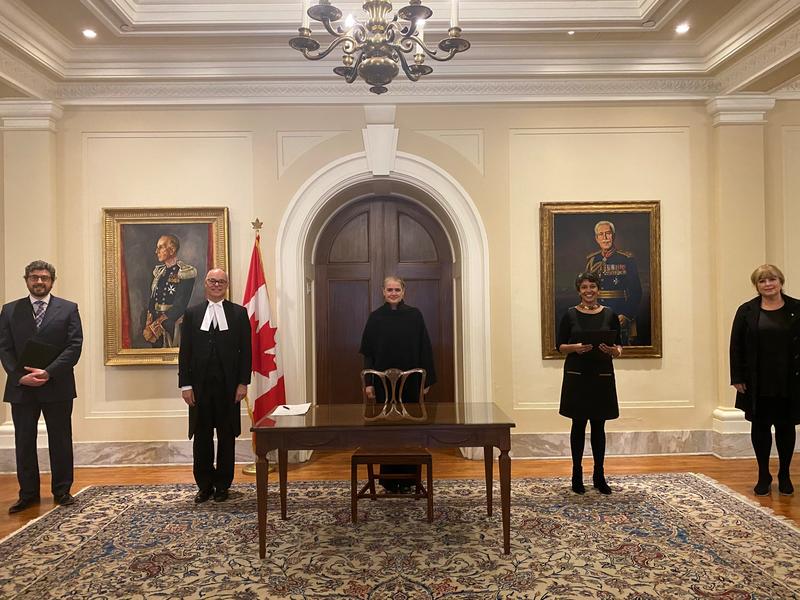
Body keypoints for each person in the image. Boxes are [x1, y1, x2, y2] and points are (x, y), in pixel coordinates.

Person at [0, 260, 83, 513]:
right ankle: (28, 495)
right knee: (24, 440)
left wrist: (48, 372)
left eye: (44, 278)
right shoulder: (10, 310)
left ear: (52, 281)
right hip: (22, 386)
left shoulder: (68, 309)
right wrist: (17, 377)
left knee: (61, 439)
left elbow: (74, 346)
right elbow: (4, 348)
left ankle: (62, 491)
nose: (39, 282)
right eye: (34, 277)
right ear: (26, 279)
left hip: (57, 384)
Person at [178, 269, 251, 503]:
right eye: (212, 281)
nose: (217, 284)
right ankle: (204, 485)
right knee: (202, 436)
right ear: (205, 284)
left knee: (227, 436)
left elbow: (246, 352)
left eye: (221, 281)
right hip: (199, 388)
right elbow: (185, 353)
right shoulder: (191, 314)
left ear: (227, 285)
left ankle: (222, 485)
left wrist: (243, 382)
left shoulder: (238, 314)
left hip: (229, 388)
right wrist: (185, 385)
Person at [359, 276, 436, 493]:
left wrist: (426, 381)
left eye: (397, 289)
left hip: (411, 384)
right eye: (389, 289)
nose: (393, 293)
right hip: (383, 385)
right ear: (383, 292)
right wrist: (369, 383)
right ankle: (389, 480)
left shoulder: (415, 315)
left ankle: (411, 478)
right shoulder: (375, 318)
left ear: (404, 291)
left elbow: (425, 349)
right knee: (389, 432)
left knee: (410, 432)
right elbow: (368, 354)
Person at [730, 264, 799, 497]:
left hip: (789, 379)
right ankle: (763, 474)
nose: (768, 284)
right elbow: (736, 346)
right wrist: (737, 377)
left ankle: (785, 474)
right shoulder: (746, 310)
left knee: (786, 428)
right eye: (762, 281)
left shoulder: (796, 308)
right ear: (756, 285)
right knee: (759, 427)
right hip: (756, 380)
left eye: (772, 280)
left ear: (781, 281)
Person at [557, 271, 622, 495]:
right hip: (577, 376)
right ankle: (576, 475)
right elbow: (560, 346)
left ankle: (599, 475)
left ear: (598, 289)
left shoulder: (610, 314)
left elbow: (620, 346)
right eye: (584, 287)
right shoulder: (569, 315)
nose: (588, 291)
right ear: (579, 291)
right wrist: (575, 347)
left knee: (599, 427)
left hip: (601, 376)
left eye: (592, 286)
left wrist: (614, 351)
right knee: (578, 426)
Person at [585, 220, 642, 345]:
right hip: (596, 315)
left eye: (608, 233)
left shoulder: (626, 259)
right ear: (596, 238)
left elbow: (636, 291)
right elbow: (586, 291)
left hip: (619, 313)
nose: (605, 238)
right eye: (601, 234)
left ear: (613, 236)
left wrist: (626, 315)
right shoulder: (592, 260)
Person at [143, 234, 197, 347]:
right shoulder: (159, 272)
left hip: (173, 322)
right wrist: (150, 322)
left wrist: (160, 322)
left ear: (172, 250)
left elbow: (181, 304)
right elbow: (153, 299)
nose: (156, 251)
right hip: (156, 324)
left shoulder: (184, 272)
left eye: (161, 247)